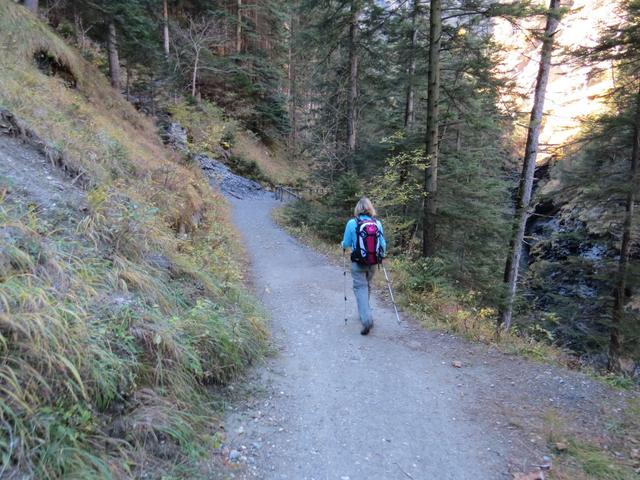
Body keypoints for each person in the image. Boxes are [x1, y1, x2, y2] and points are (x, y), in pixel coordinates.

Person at [341, 197, 386, 335]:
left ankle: (366, 319)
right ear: (370, 208)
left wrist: (342, 245)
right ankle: (365, 311)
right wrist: (381, 255)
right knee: (366, 285)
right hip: (373, 262)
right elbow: (383, 244)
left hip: (358, 262)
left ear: (357, 209)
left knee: (360, 287)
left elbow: (346, 243)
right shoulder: (377, 223)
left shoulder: (352, 223)